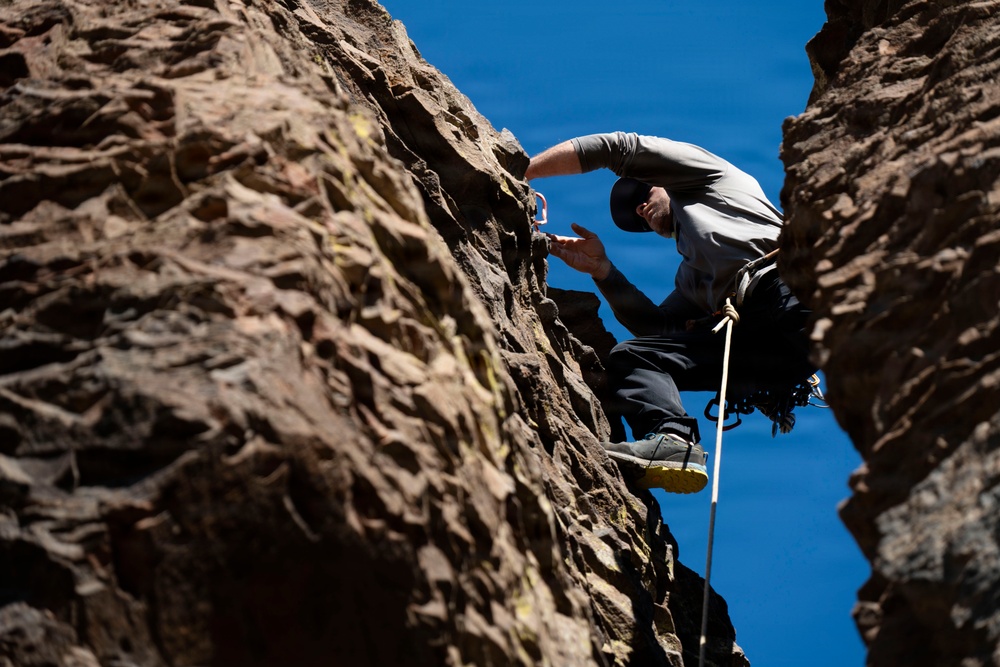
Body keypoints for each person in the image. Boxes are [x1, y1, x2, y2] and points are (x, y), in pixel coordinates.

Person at [525, 131, 815, 494]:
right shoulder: (693, 279)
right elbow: (658, 329)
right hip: (768, 348)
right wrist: (602, 270)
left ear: (664, 182)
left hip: (789, 286)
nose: (641, 210)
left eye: (644, 194)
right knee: (634, 356)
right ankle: (674, 442)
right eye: (637, 217)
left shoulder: (710, 178)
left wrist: (524, 172)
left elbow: (618, 148)